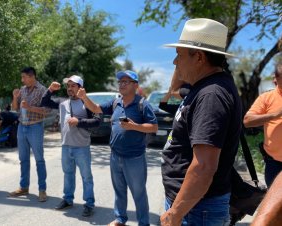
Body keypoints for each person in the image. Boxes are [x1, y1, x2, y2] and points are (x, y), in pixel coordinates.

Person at [160, 18, 242, 226]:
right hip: (192, 205)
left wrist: (175, 214)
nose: (174, 63)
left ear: (198, 57)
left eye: (178, 55)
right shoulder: (204, 86)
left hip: (196, 210)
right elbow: (177, 86)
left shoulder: (211, 95)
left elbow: (204, 166)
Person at [76, 70, 158, 226]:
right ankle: (120, 219)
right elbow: (96, 109)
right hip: (115, 156)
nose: (122, 85)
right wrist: (84, 97)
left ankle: (143, 223)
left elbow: (153, 127)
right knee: (119, 191)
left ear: (135, 85)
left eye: (126, 82)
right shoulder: (116, 102)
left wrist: (135, 126)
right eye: (120, 82)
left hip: (134, 158)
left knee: (139, 193)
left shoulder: (142, 104)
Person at [41, 75, 101, 217]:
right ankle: (68, 199)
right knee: (68, 174)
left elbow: (97, 121)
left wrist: (79, 121)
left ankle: (89, 204)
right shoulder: (63, 102)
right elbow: (45, 102)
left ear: (81, 88)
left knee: (86, 177)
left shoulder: (87, 103)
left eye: (73, 85)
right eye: (68, 86)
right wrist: (50, 90)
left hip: (82, 147)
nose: (69, 88)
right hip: (66, 146)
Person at [9, 66, 49, 202]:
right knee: (23, 159)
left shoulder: (43, 90)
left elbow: (47, 111)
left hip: (35, 127)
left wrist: (30, 108)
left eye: (24, 77)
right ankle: (23, 187)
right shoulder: (22, 90)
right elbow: (15, 108)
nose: (22, 80)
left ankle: (42, 190)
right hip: (22, 126)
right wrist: (15, 98)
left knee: (39, 160)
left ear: (32, 76)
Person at [243, 62, 282, 187]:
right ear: (276, 78)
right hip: (275, 165)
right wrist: (275, 115)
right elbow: (247, 121)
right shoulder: (267, 97)